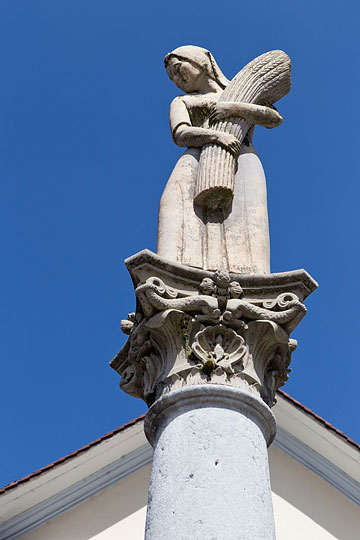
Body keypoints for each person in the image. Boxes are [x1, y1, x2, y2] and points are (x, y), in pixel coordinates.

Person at [157, 46, 283, 273]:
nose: (177, 79)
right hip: (196, 159)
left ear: (199, 61)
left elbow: (274, 119)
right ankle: (179, 270)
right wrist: (216, 136)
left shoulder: (238, 91)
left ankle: (248, 273)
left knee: (249, 217)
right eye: (172, 77)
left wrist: (234, 108)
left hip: (241, 158)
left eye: (178, 69)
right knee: (176, 209)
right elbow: (181, 134)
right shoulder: (181, 101)